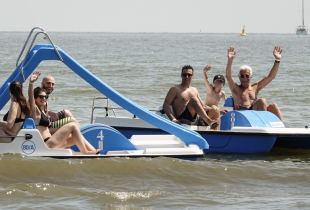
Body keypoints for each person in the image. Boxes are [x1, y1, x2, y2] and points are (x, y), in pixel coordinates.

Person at [28, 71, 99, 154]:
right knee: (72, 125)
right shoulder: (36, 111)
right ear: (35, 99)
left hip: (52, 140)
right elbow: (30, 96)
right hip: (48, 143)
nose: (44, 98)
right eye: (41, 97)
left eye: (45, 97)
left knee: (77, 136)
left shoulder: (44, 111)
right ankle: (85, 152)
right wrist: (31, 83)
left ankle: (95, 153)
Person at [225, 46, 284, 122]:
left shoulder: (256, 87)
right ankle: (264, 125)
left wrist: (277, 60)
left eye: (247, 76)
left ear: (251, 76)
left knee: (274, 106)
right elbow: (228, 77)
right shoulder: (236, 89)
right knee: (262, 101)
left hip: (255, 113)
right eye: (242, 76)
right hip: (242, 115)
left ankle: (283, 130)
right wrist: (230, 60)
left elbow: (271, 76)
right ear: (239, 77)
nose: (245, 78)